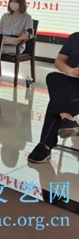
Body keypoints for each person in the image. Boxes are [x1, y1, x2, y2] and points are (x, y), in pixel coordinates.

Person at [28, 32, 79, 163]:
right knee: (53, 77)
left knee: (56, 101)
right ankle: (66, 118)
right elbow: (59, 61)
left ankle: (45, 145)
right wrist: (71, 71)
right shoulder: (75, 37)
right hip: (72, 81)